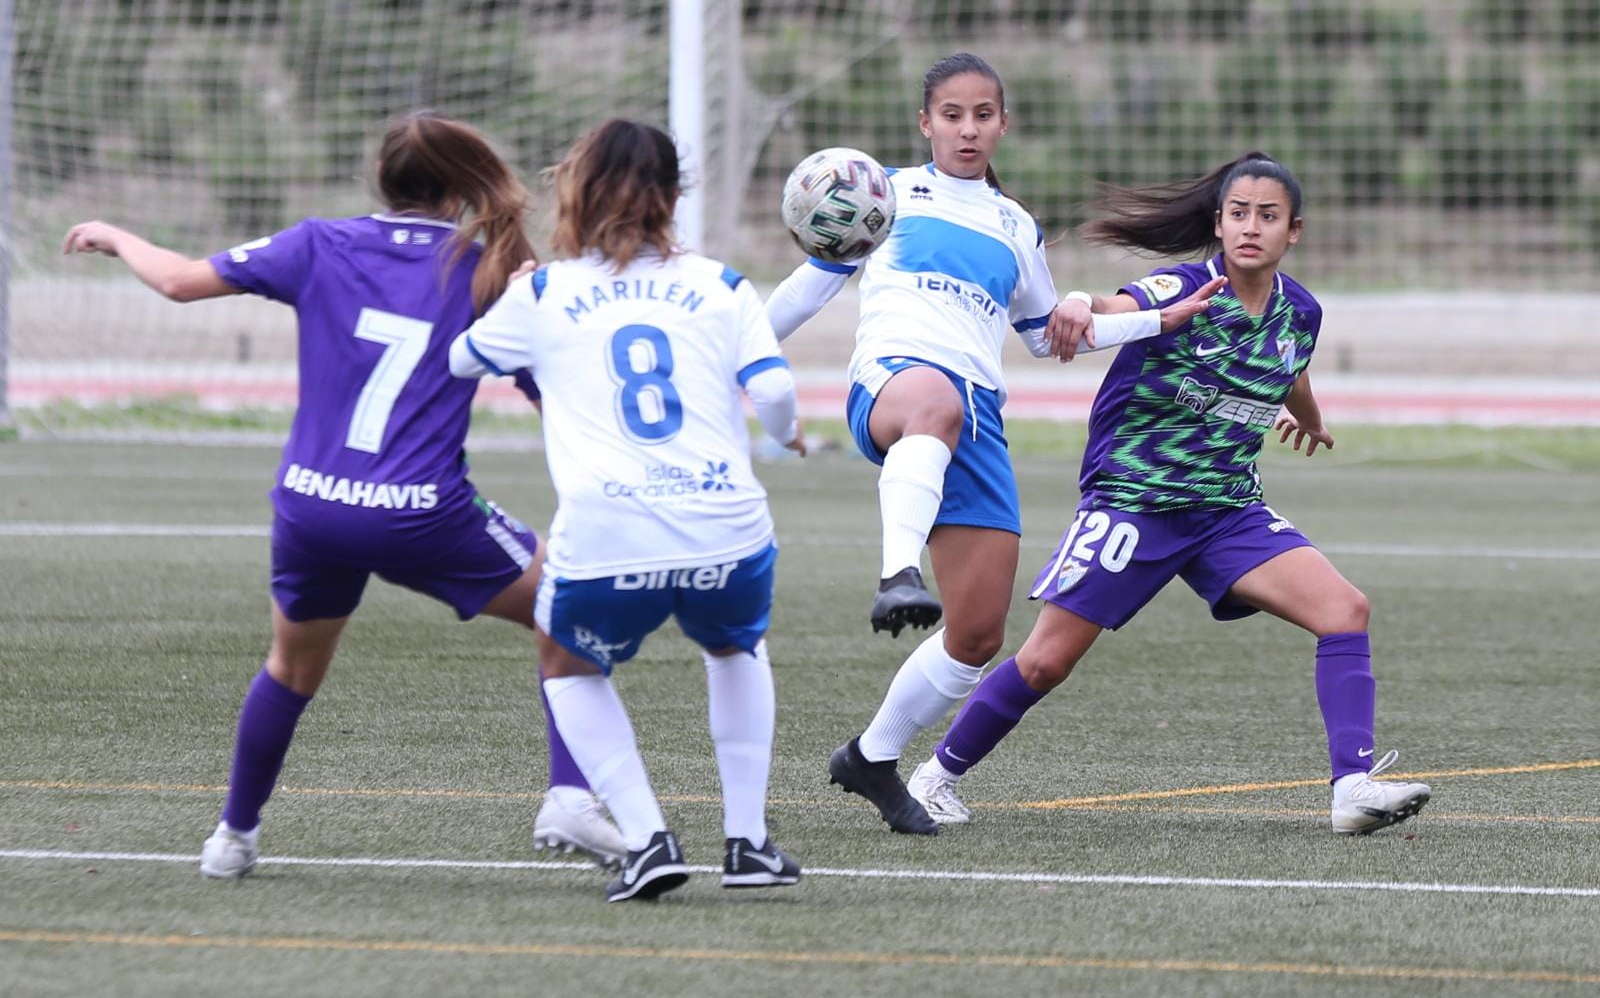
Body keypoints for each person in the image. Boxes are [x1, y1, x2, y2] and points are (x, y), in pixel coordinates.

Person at [60, 111, 627, 879]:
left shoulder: (316, 243)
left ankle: (232, 837)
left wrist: (117, 235)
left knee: (290, 669)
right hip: (421, 514)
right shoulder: (489, 269)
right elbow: (557, 397)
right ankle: (569, 795)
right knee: (573, 603)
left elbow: (180, 281)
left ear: (382, 181)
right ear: (459, 188)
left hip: (310, 508)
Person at [906, 152, 1433, 836]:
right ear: (1218, 221)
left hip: (1225, 509)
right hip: (1134, 500)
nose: (1250, 227)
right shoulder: (1181, 287)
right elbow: (1111, 305)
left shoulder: (1301, 310)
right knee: (1047, 659)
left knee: (1345, 609)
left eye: (1267, 216)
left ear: (1293, 230)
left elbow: (1290, 365)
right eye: (1238, 213)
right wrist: (1073, 301)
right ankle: (935, 775)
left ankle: (1352, 787)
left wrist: (1307, 413)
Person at [763, 52, 1223, 834]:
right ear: (925, 123)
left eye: (983, 114)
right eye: (952, 114)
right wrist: (736, 355)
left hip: (973, 418)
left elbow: (1049, 336)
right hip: (897, 385)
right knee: (934, 402)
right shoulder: (887, 192)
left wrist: (1157, 320)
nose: (967, 128)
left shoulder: (1015, 225)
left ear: (1002, 123)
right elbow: (813, 282)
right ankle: (895, 572)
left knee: (977, 634)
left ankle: (871, 757)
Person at [450, 118, 806, 902]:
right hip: (728, 529)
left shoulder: (545, 291)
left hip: (608, 534)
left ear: (573, 190)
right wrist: (790, 436)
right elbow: (776, 393)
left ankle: (647, 839)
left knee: (568, 666)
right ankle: (748, 843)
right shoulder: (721, 284)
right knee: (736, 647)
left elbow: (462, 358)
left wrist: (513, 298)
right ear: (674, 196)